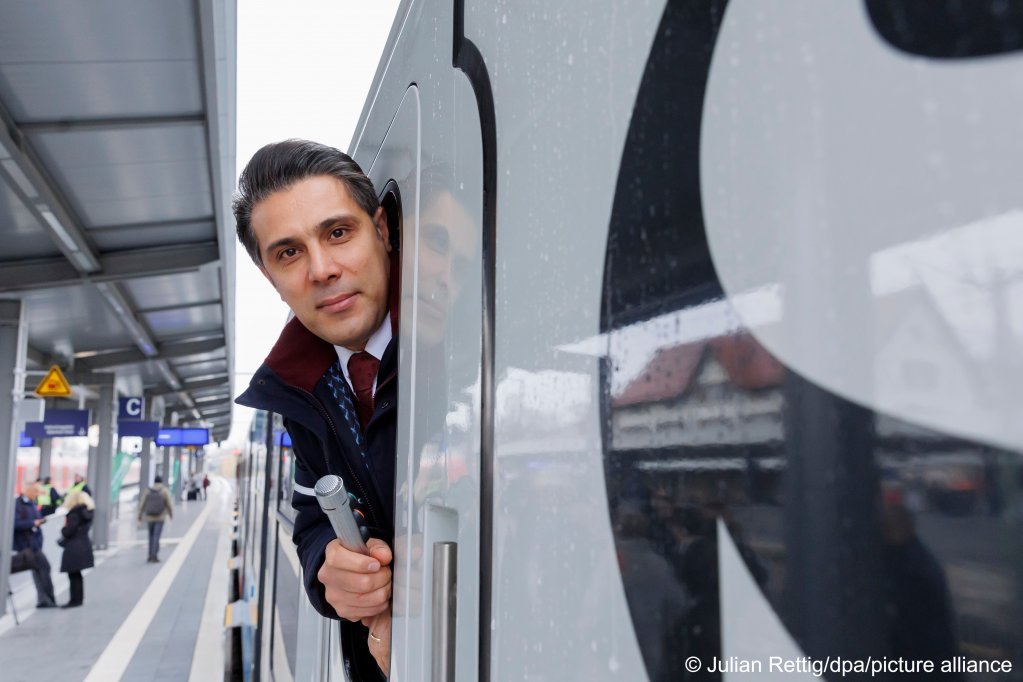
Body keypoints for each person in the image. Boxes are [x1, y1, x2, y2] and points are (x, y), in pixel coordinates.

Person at [235, 139, 398, 680]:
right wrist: (330, 565)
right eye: (288, 253)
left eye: (337, 233)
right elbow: (310, 519)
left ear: (381, 230)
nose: (322, 269)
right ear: (269, 276)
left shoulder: (470, 334)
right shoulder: (304, 388)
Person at [12, 482, 57, 608]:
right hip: (27, 545)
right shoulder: (18, 505)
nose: (37, 494)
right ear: (29, 490)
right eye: (36, 491)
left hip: (35, 544)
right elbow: (15, 524)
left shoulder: (31, 503)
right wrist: (33, 523)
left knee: (39, 570)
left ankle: (44, 600)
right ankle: (47, 599)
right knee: (44, 568)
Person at [58, 489, 95, 608]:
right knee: (77, 575)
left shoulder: (74, 514)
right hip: (83, 545)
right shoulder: (87, 513)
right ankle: (78, 599)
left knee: (73, 575)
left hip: (74, 547)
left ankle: (74, 600)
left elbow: (68, 532)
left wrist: (63, 529)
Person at [137, 475, 174, 562]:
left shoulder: (148, 491)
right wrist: (170, 514)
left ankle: (150, 555)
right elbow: (169, 504)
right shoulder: (164, 491)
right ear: (161, 482)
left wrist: (139, 516)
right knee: (156, 537)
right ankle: (154, 555)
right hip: (160, 517)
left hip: (149, 518)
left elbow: (142, 504)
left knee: (150, 536)